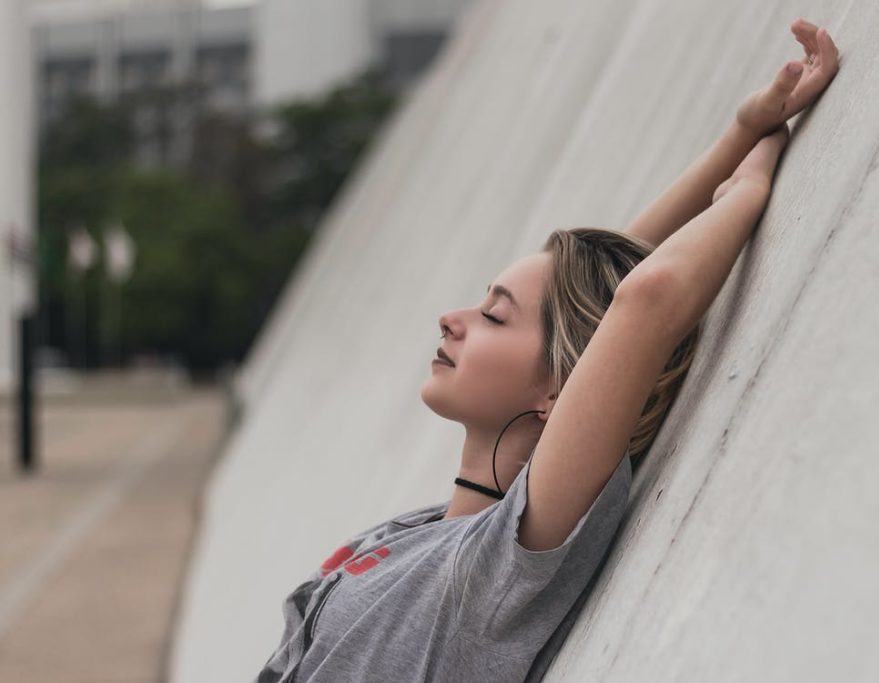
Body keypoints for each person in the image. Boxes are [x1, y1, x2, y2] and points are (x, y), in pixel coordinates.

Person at [256, 18, 839, 683]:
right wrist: (739, 135)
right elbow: (598, 290)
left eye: (493, 316)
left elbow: (642, 302)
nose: (452, 318)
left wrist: (753, 179)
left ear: (558, 390)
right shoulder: (427, 532)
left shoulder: (505, 559)